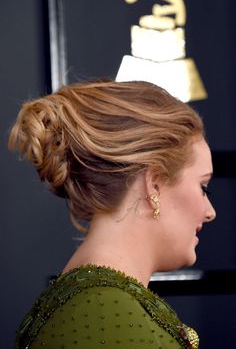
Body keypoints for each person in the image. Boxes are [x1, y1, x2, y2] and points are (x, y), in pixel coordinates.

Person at [9, 80, 216, 349]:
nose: (210, 212)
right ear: (153, 183)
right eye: (203, 187)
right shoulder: (108, 317)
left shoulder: (89, 303)